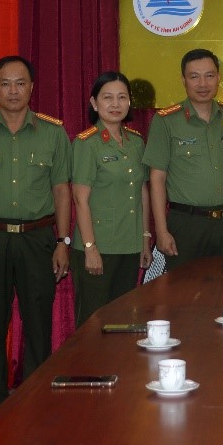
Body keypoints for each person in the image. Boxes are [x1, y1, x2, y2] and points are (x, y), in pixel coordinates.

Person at [0, 56, 71, 417]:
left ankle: (34, 401)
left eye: (20, 83)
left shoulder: (53, 132)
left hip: (37, 238)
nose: (13, 91)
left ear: (32, 87)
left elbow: (62, 190)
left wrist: (63, 242)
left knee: (38, 323)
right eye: (5, 83)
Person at [144, 49, 223, 272]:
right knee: (185, 291)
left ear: (218, 78)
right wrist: (161, 231)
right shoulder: (166, 121)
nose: (203, 84)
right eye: (194, 76)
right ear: (183, 80)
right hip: (186, 225)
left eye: (209, 76)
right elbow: (157, 178)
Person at [71, 72, 152, 326]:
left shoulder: (136, 142)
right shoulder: (86, 143)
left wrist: (145, 238)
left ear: (129, 102)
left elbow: (142, 192)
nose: (115, 104)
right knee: (93, 324)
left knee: (122, 320)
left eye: (122, 97)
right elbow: (80, 199)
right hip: (99, 246)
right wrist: (90, 248)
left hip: (129, 245)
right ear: (94, 103)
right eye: (107, 98)